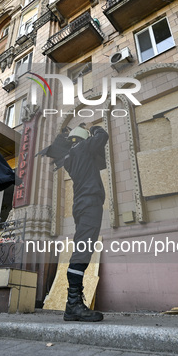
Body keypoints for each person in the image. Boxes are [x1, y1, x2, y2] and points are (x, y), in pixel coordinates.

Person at [62, 122, 108, 322]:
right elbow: (103, 136)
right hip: (89, 203)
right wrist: (95, 128)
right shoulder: (82, 148)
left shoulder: (71, 157)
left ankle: (73, 304)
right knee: (83, 250)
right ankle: (73, 305)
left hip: (81, 204)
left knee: (83, 247)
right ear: (82, 139)